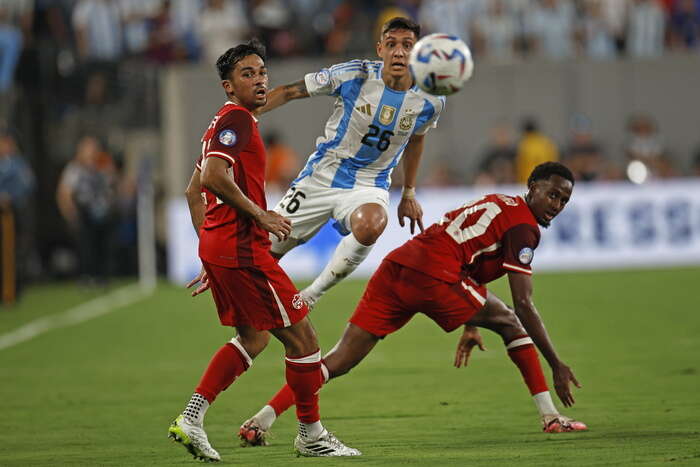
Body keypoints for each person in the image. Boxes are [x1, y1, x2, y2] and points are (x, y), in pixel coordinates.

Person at [239, 162, 588, 446]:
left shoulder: (501, 202)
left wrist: (472, 322)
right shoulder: (525, 228)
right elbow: (523, 304)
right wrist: (556, 364)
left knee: (340, 359)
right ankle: (551, 417)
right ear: (532, 187)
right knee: (512, 322)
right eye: (552, 195)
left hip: (401, 265)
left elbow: (472, 259)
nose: (555, 205)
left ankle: (262, 419)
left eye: (563, 201)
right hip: (436, 273)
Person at [167, 39, 360, 462]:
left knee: (252, 338)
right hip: (242, 248)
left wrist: (207, 250)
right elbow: (214, 178)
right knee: (305, 341)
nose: (258, 80)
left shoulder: (222, 121)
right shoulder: (236, 119)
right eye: (247, 74)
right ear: (228, 86)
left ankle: (191, 417)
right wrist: (260, 215)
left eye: (261, 72)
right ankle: (311, 435)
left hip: (223, 247)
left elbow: (191, 192)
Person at [255, 17, 445, 308]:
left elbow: (416, 140)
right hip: (321, 175)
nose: (399, 52)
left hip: (370, 182)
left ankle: (309, 296)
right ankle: (250, 318)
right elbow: (290, 91)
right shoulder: (353, 75)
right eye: (392, 44)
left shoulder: (430, 100)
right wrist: (242, 114)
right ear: (379, 49)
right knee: (264, 253)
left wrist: (408, 192)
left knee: (371, 224)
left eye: (407, 45)